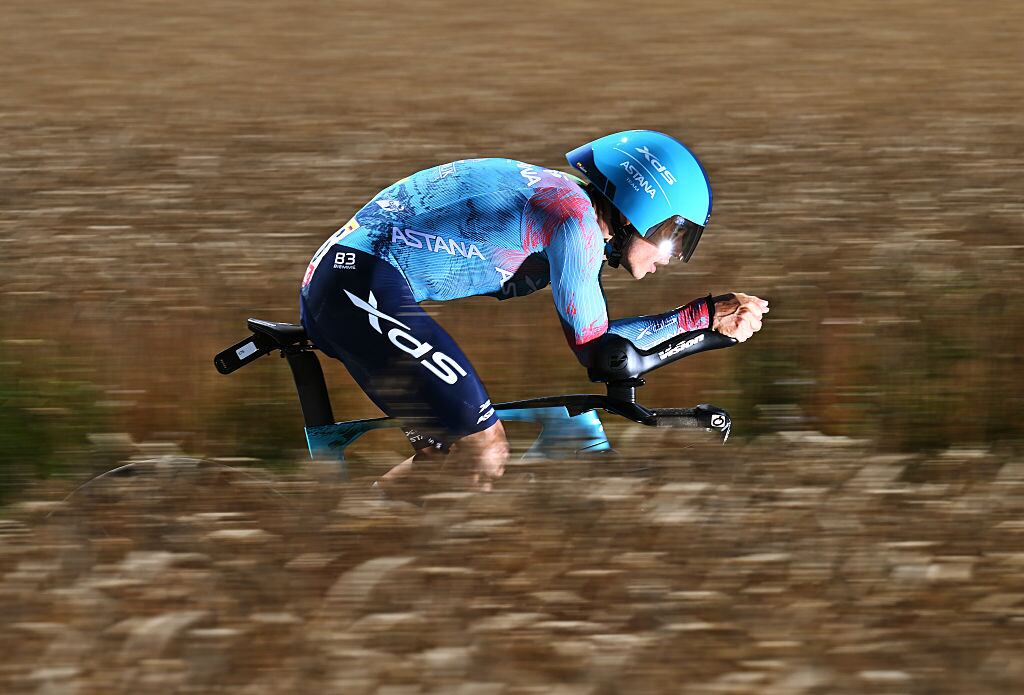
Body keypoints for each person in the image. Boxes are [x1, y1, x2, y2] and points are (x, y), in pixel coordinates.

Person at [299, 130, 768, 493]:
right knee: (484, 451)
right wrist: (701, 319)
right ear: (636, 210)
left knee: (447, 457)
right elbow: (604, 354)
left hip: (349, 281)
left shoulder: (567, 202)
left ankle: (355, 534)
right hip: (356, 286)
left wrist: (701, 320)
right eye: (672, 236)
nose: (671, 256)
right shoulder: (574, 221)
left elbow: (600, 340)